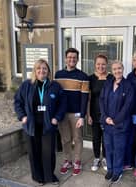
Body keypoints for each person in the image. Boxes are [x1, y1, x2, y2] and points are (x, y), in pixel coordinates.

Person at [14, 59, 66, 185]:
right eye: (39, 68)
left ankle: (49, 176)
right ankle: (38, 177)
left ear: (48, 71)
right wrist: (22, 116)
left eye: (44, 68)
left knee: (48, 153)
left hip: (48, 125)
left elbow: (63, 104)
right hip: (31, 125)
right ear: (35, 71)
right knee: (34, 152)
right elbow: (17, 102)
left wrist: (57, 118)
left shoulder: (55, 86)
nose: (41, 71)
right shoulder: (27, 85)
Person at [54, 48, 89, 176]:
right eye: (69, 57)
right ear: (65, 58)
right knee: (65, 139)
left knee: (77, 138)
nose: (72, 59)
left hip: (76, 114)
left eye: (74, 57)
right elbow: (55, 95)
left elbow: (85, 98)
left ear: (77, 59)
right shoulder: (58, 75)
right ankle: (67, 160)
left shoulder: (83, 77)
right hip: (62, 114)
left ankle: (77, 161)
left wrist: (82, 116)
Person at [99, 61, 134, 183]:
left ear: (123, 69)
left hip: (120, 124)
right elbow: (102, 100)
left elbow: (128, 106)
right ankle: (110, 169)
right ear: (111, 71)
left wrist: (116, 120)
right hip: (107, 123)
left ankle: (117, 171)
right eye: (114, 69)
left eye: (119, 68)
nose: (117, 71)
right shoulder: (108, 83)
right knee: (108, 147)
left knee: (119, 149)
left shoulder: (128, 85)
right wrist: (105, 117)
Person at [87, 54, 113, 171]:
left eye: (103, 64)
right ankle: (97, 158)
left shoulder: (111, 78)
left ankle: (106, 158)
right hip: (94, 113)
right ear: (95, 64)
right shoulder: (90, 78)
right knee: (96, 137)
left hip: (107, 114)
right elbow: (88, 98)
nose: (101, 66)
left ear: (106, 64)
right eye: (98, 64)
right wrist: (88, 114)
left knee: (106, 138)